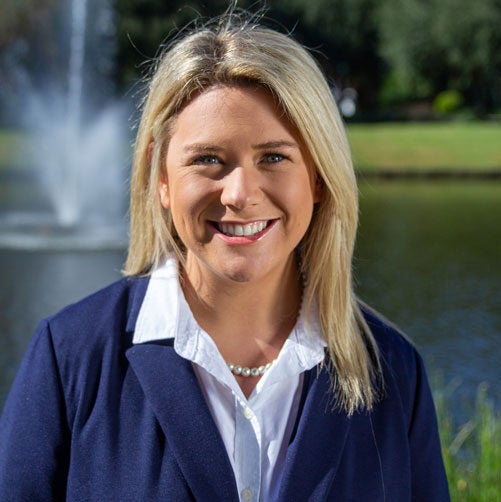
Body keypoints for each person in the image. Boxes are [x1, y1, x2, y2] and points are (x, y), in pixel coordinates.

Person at [0, 11, 449, 502]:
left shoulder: (392, 371)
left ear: (318, 177)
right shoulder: (70, 358)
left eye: (274, 157)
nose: (239, 193)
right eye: (208, 159)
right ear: (161, 177)